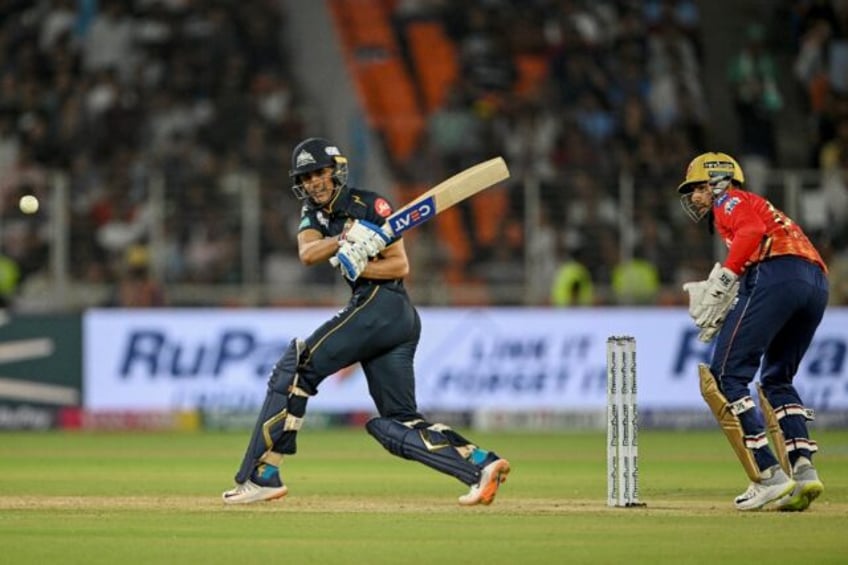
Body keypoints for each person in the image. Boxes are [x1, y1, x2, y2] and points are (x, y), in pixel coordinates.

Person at [222, 137, 510, 505]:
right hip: (389, 319)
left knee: (296, 370)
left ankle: (263, 474)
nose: (313, 183)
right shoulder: (314, 214)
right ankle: (479, 465)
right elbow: (308, 252)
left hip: (384, 304)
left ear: (335, 171)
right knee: (395, 423)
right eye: (306, 178)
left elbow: (400, 265)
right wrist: (345, 241)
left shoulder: (371, 204)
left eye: (319, 173)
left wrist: (365, 263)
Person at [677, 152, 828, 512]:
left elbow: (753, 232)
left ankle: (768, 475)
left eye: (698, 188)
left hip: (774, 274)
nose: (695, 198)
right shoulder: (760, 204)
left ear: (717, 182)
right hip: (816, 283)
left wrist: (728, 275)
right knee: (777, 377)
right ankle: (804, 470)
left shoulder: (730, 200)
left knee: (727, 373)